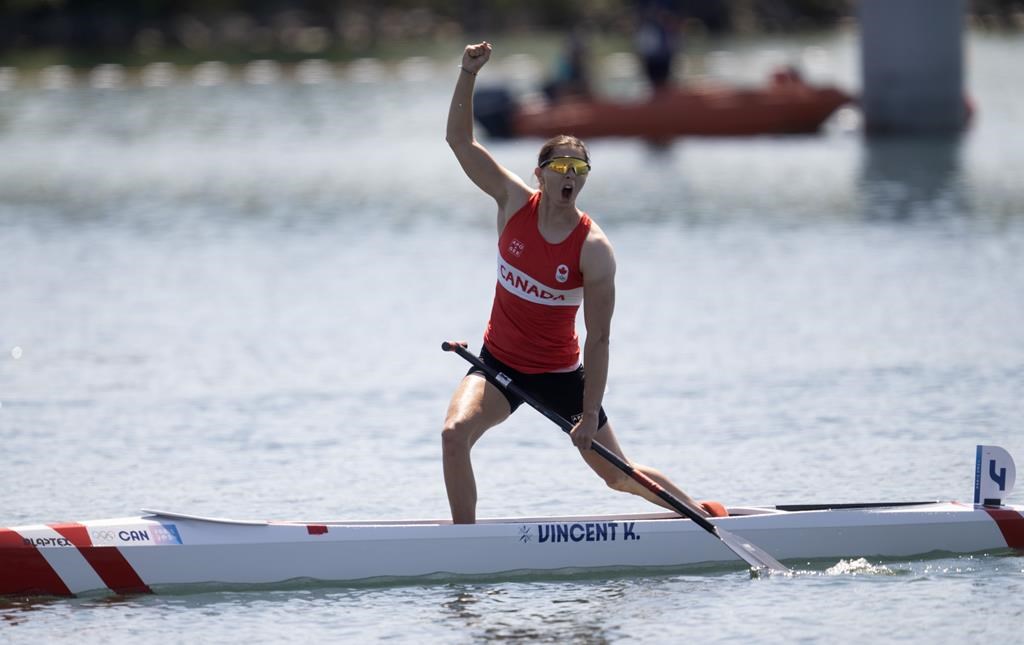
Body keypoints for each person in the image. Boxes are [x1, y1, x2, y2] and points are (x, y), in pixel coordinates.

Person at [442, 41, 716, 525]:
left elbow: (601, 338)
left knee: (617, 475)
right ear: (541, 175)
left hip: (560, 377)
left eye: (579, 169)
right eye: (561, 168)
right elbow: (460, 143)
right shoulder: (510, 201)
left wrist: (589, 415)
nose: (570, 177)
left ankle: (703, 517)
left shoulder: (594, 250)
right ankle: (467, 546)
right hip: (498, 364)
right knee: (454, 434)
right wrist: (467, 72)